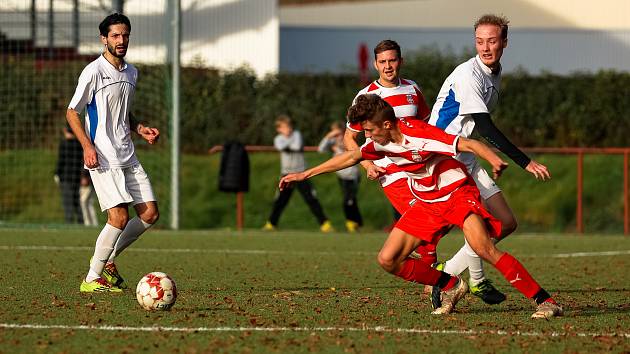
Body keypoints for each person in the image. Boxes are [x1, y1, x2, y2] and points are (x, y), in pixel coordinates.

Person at [280, 94, 563, 319]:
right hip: (426, 202)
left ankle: (546, 301)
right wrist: (303, 175)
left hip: (455, 193)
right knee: (388, 259)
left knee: (483, 248)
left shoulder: (420, 134)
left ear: (387, 125)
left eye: (369, 130)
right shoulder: (380, 141)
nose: (367, 136)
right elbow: (351, 157)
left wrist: (494, 160)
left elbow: (469, 143)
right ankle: (451, 285)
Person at [425, 14, 552, 304]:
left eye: (492, 41)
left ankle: (449, 271)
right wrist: (525, 161)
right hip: (445, 157)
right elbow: (484, 127)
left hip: (465, 155)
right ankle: (463, 280)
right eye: (480, 41)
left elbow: (476, 129)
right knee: (482, 227)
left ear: (504, 43)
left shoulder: (493, 72)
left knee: (506, 222)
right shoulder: (469, 74)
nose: (485, 47)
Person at [66, 13, 160, 293]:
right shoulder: (93, 71)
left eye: (125, 35)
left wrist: (139, 128)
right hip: (103, 156)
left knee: (150, 214)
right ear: (104, 39)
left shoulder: (132, 72)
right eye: (115, 36)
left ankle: (107, 261)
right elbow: (72, 112)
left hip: (128, 154)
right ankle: (92, 278)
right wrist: (86, 145)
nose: (121, 41)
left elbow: (122, 112)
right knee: (118, 218)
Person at [342, 39, 434, 244]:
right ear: (375, 64)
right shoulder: (366, 96)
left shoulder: (412, 88)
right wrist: (368, 164)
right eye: (382, 62)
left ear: (401, 61)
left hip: (418, 166)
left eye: (392, 60)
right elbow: (348, 137)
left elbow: (426, 127)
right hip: (390, 171)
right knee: (421, 218)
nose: (387, 66)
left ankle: (430, 267)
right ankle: (421, 266)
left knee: (431, 220)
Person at [262, 115, 334, 232]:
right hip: (286, 174)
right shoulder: (278, 138)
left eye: (289, 126)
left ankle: (325, 224)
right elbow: (282, 146)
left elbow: (295, 147)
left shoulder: (297, 134)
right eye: (285, 127)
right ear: (278, 129)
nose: (288, 129)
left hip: (301, 174)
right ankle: (271, 224)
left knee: (311, 199)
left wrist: (288, 146)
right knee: (280, 201)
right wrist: (289, 145)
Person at [318, 121, 363, 232]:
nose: (336, 136)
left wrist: (339, 143)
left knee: (349, 200)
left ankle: (352, 222)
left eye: (337, 133)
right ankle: (355, 222)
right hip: (342, 176)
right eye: (334, 134)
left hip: (353, 175)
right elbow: (321, 149)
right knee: (349, 199)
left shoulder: (347, 140)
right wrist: (328, 137)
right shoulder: (333, 141)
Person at [54, 125, 84, 224]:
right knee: (76, 201)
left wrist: (57, 173)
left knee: (67, 201)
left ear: (65, 130)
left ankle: (69, 222)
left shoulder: (64, 144)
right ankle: (81, 222)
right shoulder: (78, 144)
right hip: (76, 177)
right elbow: (81, 162)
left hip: (65, 177)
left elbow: (61, 161)